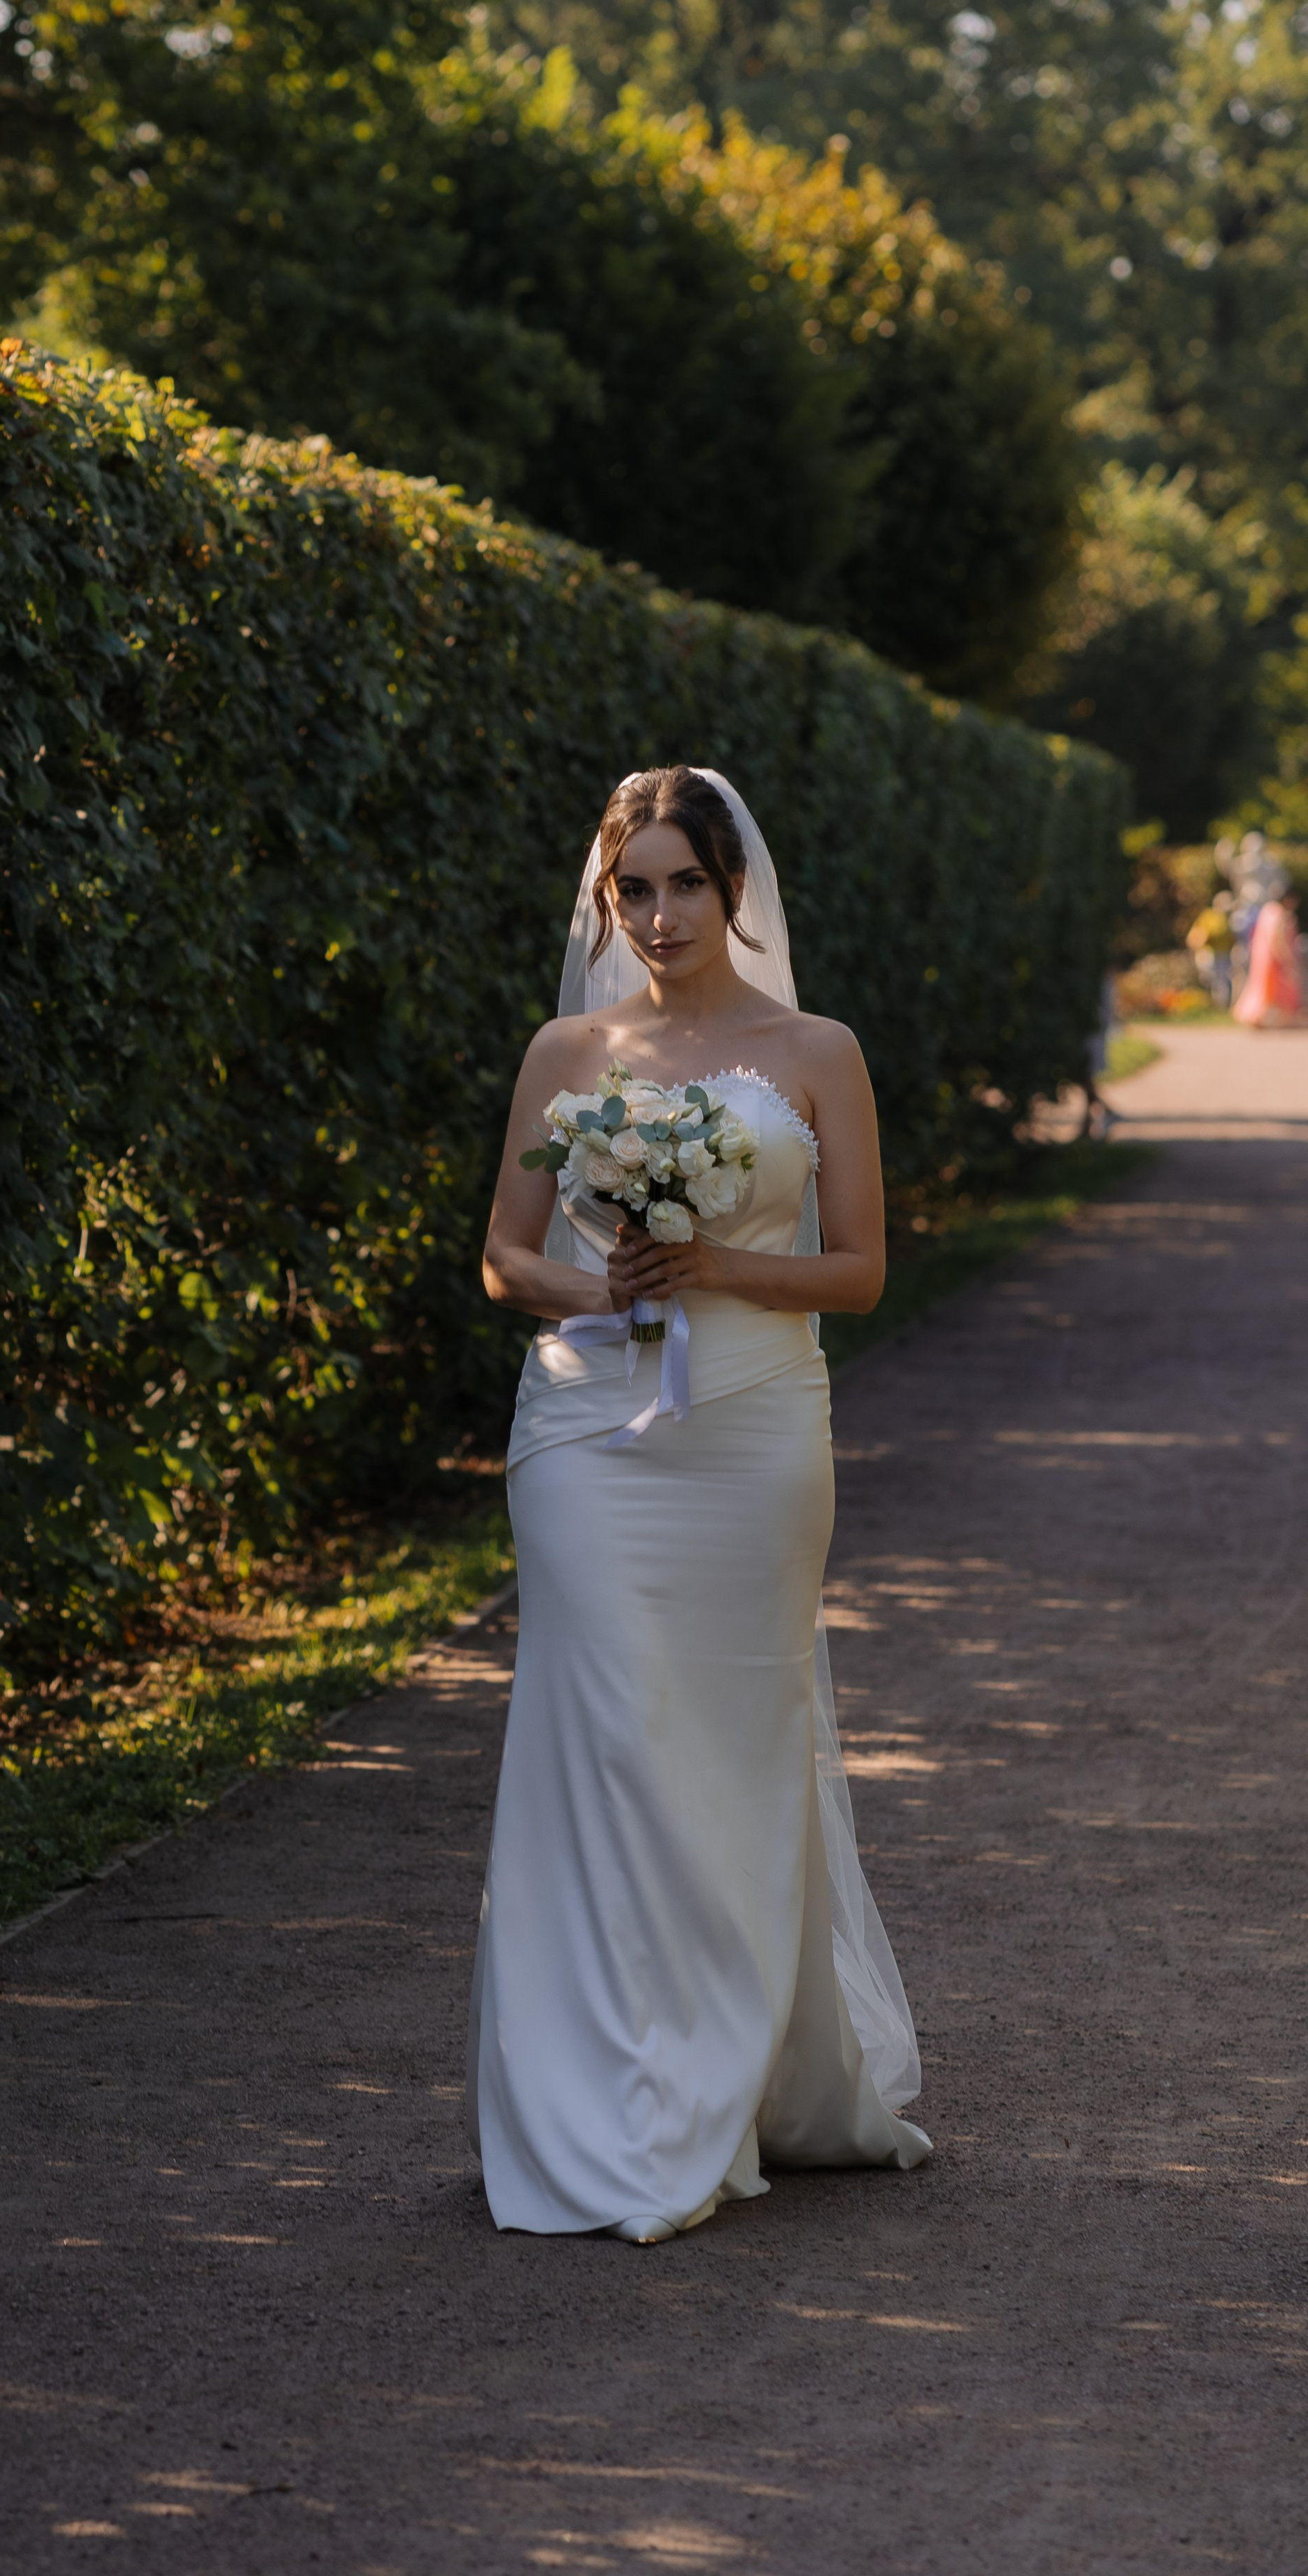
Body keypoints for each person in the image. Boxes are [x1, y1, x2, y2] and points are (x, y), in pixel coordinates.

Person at [470, 765, 931, 2243]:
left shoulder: (815, 1050)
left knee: (731, 1746)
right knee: (604, 1736)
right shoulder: (569, 1047)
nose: (657, 916)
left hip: (751, 1431)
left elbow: (855, 1269)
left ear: (733, 889)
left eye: (681, 883)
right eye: (633, 890)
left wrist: (713, 1264)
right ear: (607, 904)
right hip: (587, 1428)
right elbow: (504, 1257)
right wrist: (601, 1289)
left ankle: (731, 2072)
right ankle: (615, 2094)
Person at [1232, 889, 1303, 1027]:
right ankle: (1275, 1021)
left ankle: (1256, 1017)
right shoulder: (1280, 914)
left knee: (1262, 988)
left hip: (1262, 958)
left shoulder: (1268, 910)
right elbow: (1278, 939)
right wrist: (1288, 959)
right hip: (1275, 959)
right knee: (1280, 991)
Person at [1186, 895, 1236, 1011]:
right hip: (1209, 953)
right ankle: (1212, 1004)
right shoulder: (1210, 915)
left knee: (1222, 980)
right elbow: (1212, 932)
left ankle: (1221, 1006)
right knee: (1212, 979)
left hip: (1224, 954)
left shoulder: (1228, 917)